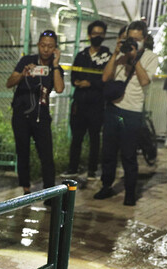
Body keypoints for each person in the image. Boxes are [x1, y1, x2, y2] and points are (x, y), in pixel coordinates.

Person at [94, 20, 159, 206]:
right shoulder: (120, 55)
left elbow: (145, 81)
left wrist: (135, 58)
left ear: (144, 39)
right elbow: (105, 77)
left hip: (132, 112)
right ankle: (106, 186)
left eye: (137, 39)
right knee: (108, 152)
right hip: (114, 110)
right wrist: (116, 54)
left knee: (129, 155)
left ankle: (130, 192)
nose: (133, 42)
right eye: (130, 39)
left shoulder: (150, 57)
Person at [6, 29, 66, 195]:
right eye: (43, 45)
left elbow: (59, 88)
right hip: (21, 115)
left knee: (47, 156)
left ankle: (49, 193)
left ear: (55, 49)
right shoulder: (27, 60)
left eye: (50, 46)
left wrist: (54, 66)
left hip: (42, 117)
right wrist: (23, 74)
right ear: (38, 45)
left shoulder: (56, 68)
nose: (46, 49)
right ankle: (25, 188)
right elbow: (9, 83)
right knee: (22, 151)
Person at [63, 20, 111, 180]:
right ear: (89, 35)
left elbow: (107, 79)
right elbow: (73, 75)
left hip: (96, 104)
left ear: (104, 35)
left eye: (101, 34)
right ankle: (72, 168)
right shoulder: (81, 55)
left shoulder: (107, 56)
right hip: (79, 102)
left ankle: (92, 171)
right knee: (76, 137)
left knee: (94, 138)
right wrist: (77, 82)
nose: (97, 36)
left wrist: (90, 83)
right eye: (95, 34)